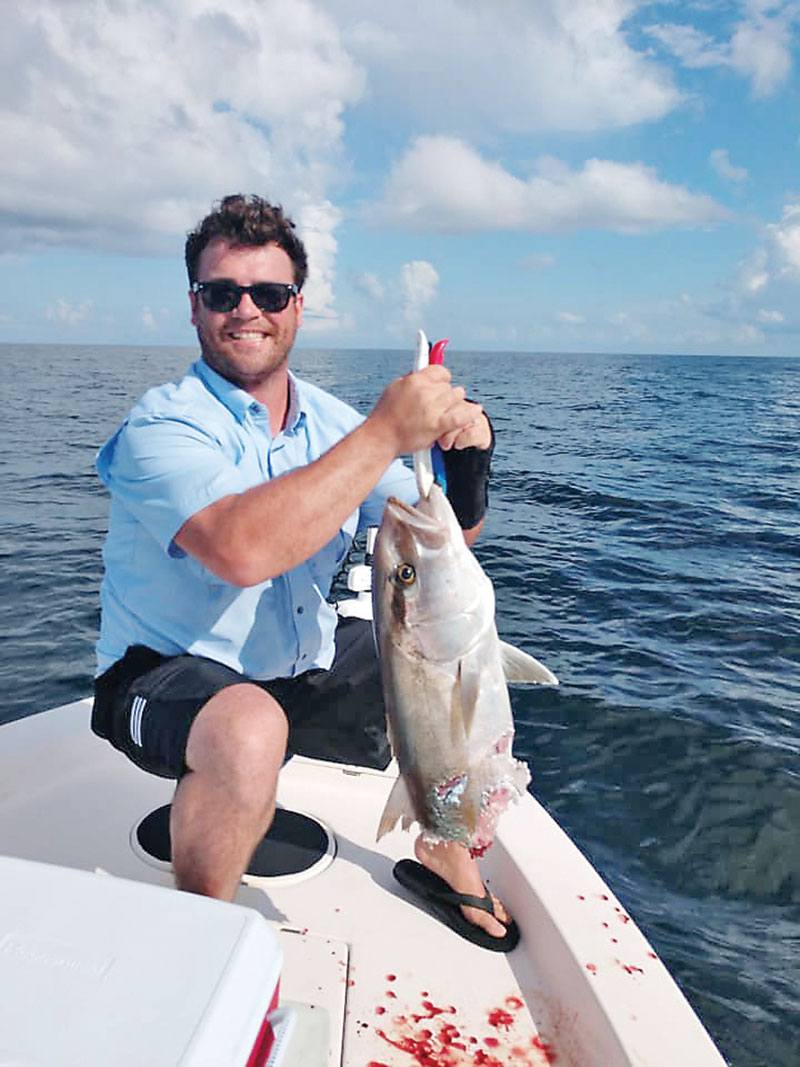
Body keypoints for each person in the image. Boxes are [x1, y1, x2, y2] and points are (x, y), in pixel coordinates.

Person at [91, 193, 517, 950]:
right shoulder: (161, 425)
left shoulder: (332, 423)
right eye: (223, 293)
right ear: (195, 307)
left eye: (269, 292)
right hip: (162, 675)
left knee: (444, 654)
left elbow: (445, 535)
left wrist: (471, 452)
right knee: (252, 725)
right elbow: (241, 550)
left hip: (299, 663)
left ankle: (442, 844)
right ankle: (198, 937)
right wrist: (388, 430)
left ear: (298, 306)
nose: (245, 309)